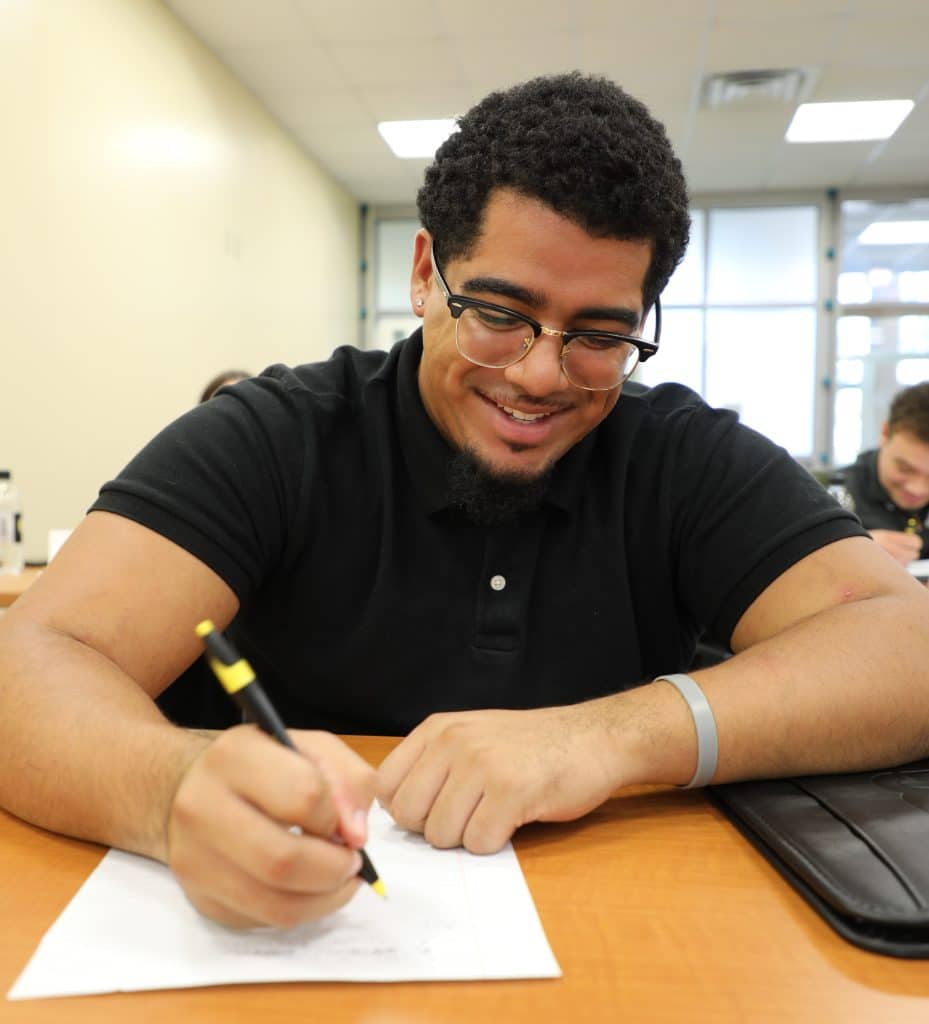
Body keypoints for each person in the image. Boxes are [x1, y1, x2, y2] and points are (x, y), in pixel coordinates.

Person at [2, 72, 929, 932]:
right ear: (424, 276)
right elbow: (29, 663)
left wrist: (607, 737)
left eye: (599, 335)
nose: (539, 375)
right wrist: (169, 789)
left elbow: (904, 647)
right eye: (497, 313)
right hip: (286, 936)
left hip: (610, 938)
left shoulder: (680, 456)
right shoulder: (278, 436)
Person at [832, 382, 929, 567]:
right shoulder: (833, 495)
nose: (918, 489)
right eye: (905, 469)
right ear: (885, 433)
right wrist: (847, 549)